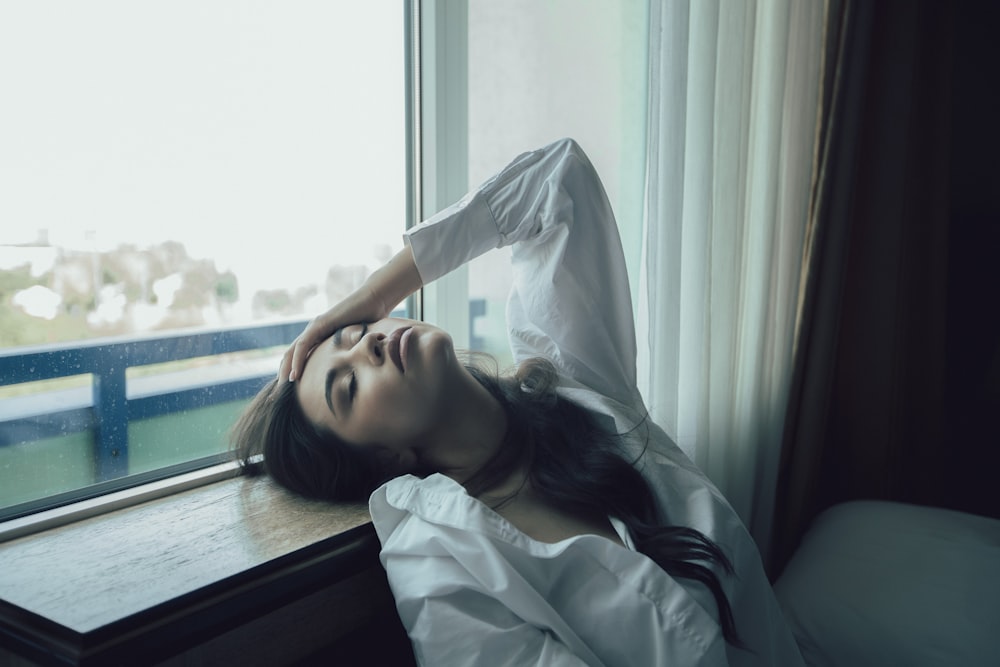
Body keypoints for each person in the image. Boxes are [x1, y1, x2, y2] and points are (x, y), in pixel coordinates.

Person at [233, 138, 804, 666]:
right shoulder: (439, 566)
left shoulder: (576, 386)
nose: (372, 343)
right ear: (388, 459)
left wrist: (376, 290)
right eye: (349, 387)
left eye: (357, 332)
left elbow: (557, 178)